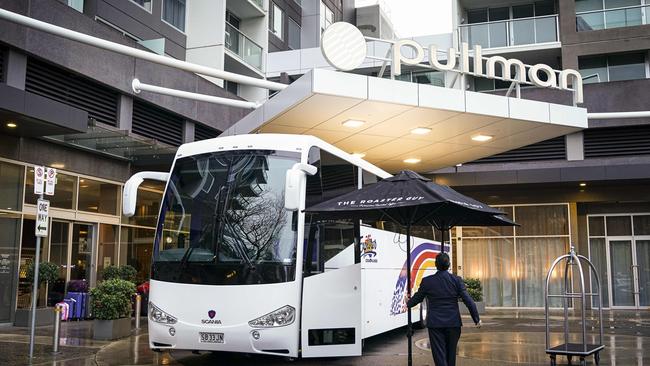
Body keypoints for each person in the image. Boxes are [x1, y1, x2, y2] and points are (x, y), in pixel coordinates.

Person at [407, 252, 481, 366]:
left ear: (436, 265)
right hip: (453, 323)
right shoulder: (457, 280)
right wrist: (476, 319)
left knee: (439, 356)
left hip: (436, 324)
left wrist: (408, 303)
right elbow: (468, 301)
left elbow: (418, 298)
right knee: (451, 356)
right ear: (449, 265)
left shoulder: (427, 281)